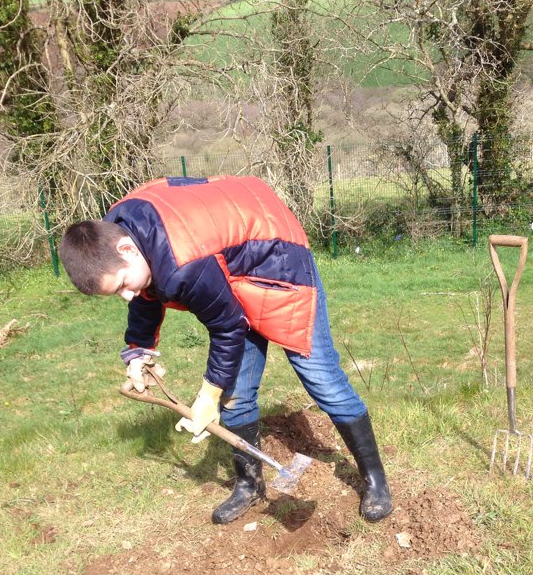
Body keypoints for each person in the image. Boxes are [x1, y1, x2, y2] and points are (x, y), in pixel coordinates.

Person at [59, 175, 392, 525]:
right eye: (116, 293)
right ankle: (249, 485)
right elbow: (147, 294)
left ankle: (374, 479)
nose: (127, 295)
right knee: (237, 394)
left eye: (123, 285)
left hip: (278, 256)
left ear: (126, 248)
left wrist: (206, 396)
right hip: (226, 260)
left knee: (321, 379)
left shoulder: (181, 264)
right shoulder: (118, 231)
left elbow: (227, 327)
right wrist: (138, 350)